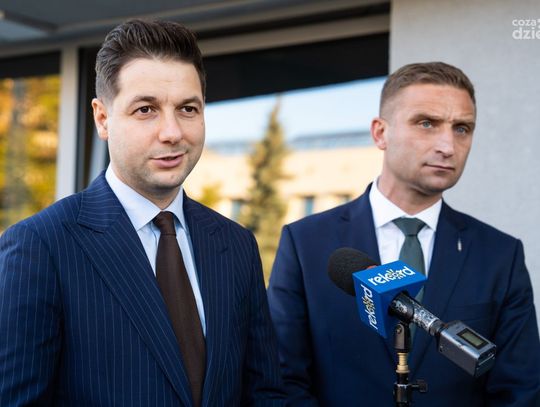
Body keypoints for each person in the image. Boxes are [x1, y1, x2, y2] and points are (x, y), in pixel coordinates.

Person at [0, 19, 285, 406]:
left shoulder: (236, 245)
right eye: (146, 109)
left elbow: (264, 393)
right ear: (103, 119)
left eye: (187, 109)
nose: (172, 132)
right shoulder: (40, 246)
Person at [267, 62, 540, 406]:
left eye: (462, 128)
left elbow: (520, 389)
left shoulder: (500, 255)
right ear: (380, 133)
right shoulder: (306, 243)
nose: (448, 146)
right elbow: (282, 380)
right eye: (426, 123)